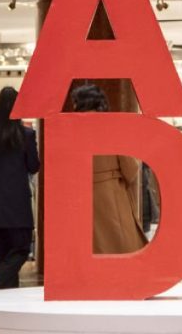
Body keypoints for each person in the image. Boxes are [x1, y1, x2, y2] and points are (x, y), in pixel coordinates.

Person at [71, 84, 148, 254]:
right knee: (120, 247)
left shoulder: (71, 129)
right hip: (110, 194)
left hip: (79, 195)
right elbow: (130, 168)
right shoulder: (112, 127)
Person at [0, 87, 39, 290]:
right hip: (17, 203)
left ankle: (3, 299)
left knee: (2, 255)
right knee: (21, 248)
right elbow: (34, 166)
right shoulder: (27, 135)